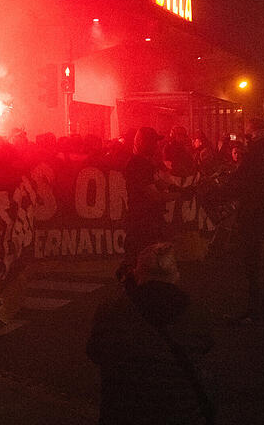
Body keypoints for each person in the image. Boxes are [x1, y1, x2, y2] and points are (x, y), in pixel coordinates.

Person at [88, 243, 215, 425]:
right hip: (183, 413)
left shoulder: (113, 310)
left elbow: (95, 351)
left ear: (137, 273)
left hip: (123, 413)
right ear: (175, 275)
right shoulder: (196, 313)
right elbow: (205, 346)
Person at [222, 117, 264, 323]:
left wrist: (223, 191)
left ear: (256, 131)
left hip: (255, 214)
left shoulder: (258, 153)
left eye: (248, 131)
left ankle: (257, 312)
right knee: (261, 264)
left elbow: (243, 180)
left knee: (254, 264)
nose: (246, 135)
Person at [121, 127, 179, 271]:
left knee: (148, 265)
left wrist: (177, 189)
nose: (157, 145)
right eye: (153, 142)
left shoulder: (146, 163)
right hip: (142, 223)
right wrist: (181, 195)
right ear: (141, 142)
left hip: (149, 222)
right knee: (141, 265)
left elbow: (160, 184)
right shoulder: (138, 164)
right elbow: (154, 196)